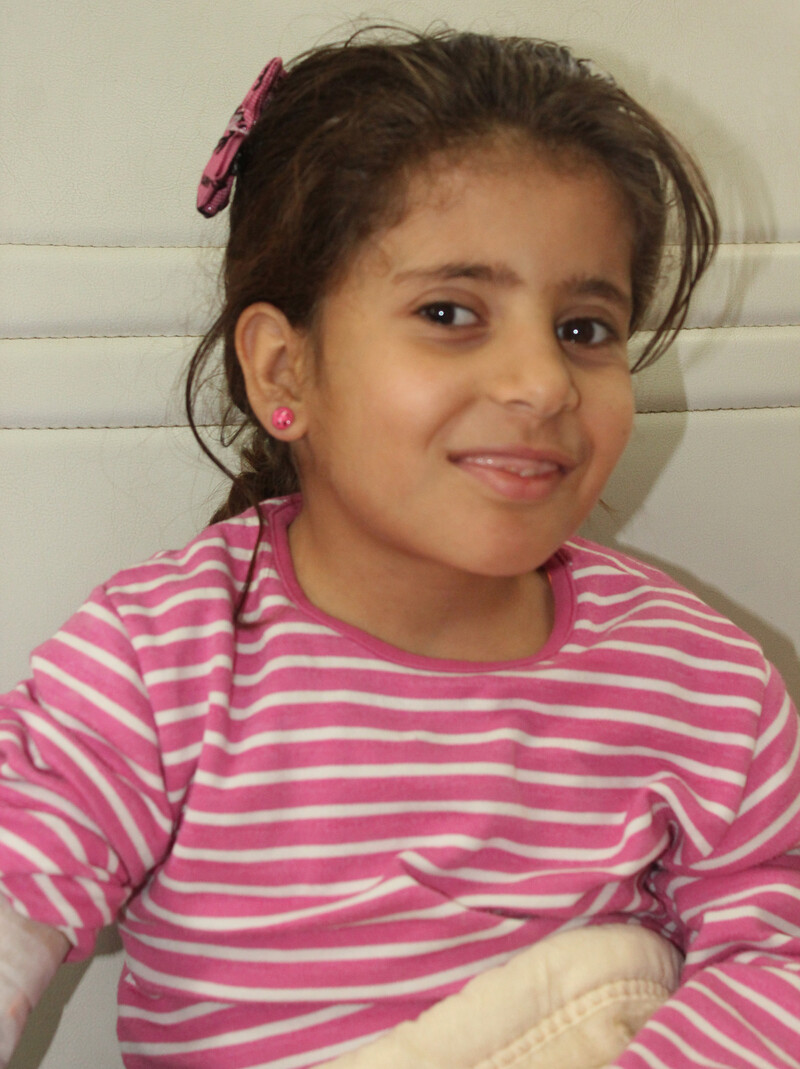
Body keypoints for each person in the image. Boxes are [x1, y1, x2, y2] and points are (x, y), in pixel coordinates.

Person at [1, 25, 798, 1069]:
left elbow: (775, 955)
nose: (540, 384)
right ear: (284, 371)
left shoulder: (700, 682)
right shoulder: (163, 657)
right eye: (449, 311)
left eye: (583, 329)